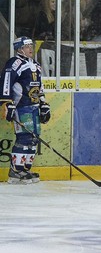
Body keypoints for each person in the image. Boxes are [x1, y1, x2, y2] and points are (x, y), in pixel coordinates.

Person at [2, 37, 51, 184]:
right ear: (19, 49)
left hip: (34, 107)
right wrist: (7, 103)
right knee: (24, 137)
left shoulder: (35, 64)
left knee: (34, 138)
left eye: (31, 45)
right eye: (27, 46)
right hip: (21, 107)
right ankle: (15, 171)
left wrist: (43, 104)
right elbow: (6, 81)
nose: (31, 48)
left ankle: (25, 169)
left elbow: (39, 86)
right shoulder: (15, 63)